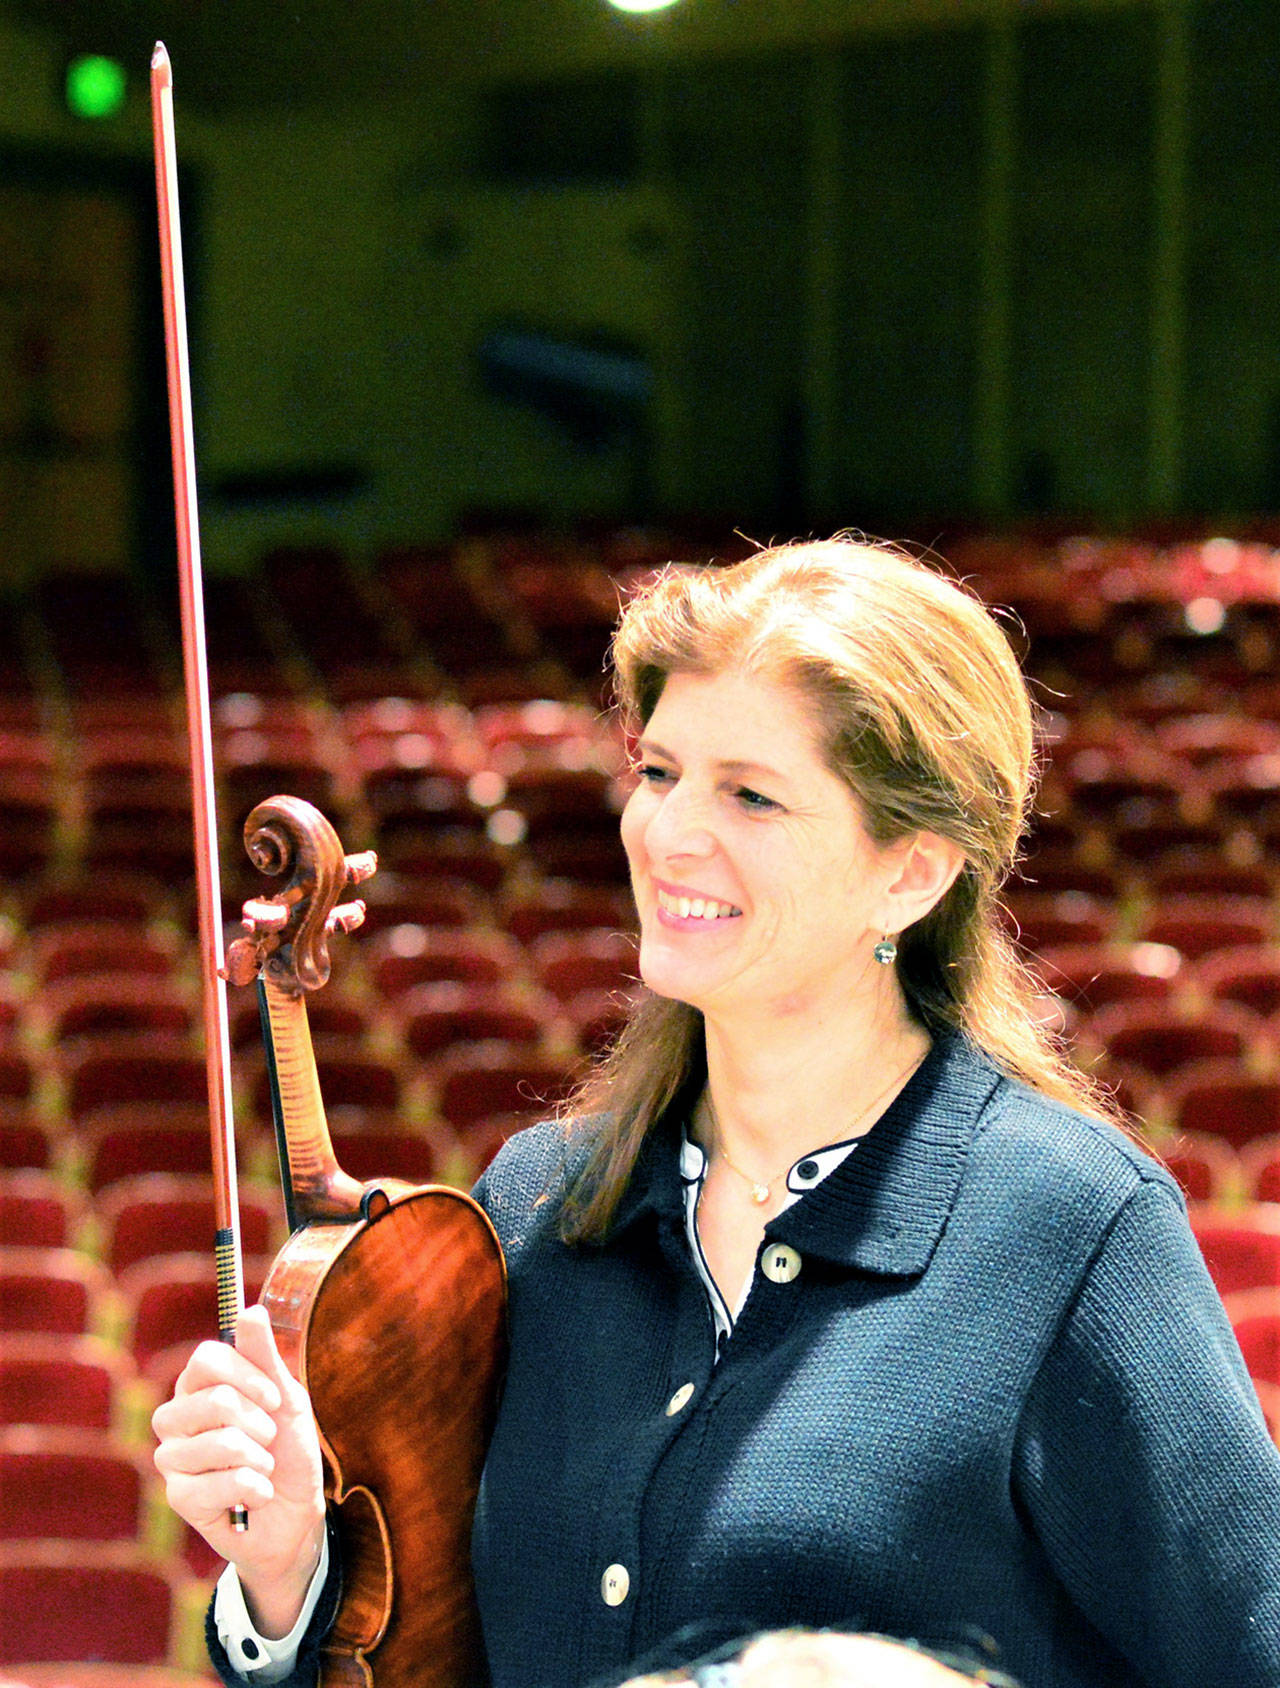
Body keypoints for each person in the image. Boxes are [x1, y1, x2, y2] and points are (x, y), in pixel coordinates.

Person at [153, 537, 1280, 1688]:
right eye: (658, 771)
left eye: (748, 791)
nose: (667, 830)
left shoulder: (1071, 1231)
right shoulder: (538, 1202)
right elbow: (415, 1660)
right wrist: (287, 1580)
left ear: (911, 872)